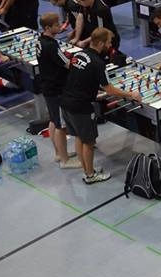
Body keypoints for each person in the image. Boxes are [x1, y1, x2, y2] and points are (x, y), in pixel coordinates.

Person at [60, 28, 141, 185]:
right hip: (81, 108)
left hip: (66, 103)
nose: (110, 45)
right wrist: (131, 94)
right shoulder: (98, 63)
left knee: (79, 138)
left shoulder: (79, 54)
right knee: (89, 143)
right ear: (101, 43)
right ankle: (90, 176)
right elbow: (109, 89)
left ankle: (87, 170)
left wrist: (93, 90)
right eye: (109, 42)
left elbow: (80, 77)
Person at [36, 13, 78, 168]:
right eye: (56, 25)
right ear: (48, 28)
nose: (60, 27)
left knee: (54, 120)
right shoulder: (51, 45)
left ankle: (59, 153)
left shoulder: (40, 40)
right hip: (56, 89)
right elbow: (67, 64)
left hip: (48, 86)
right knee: (61, 126)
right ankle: (65, 161)